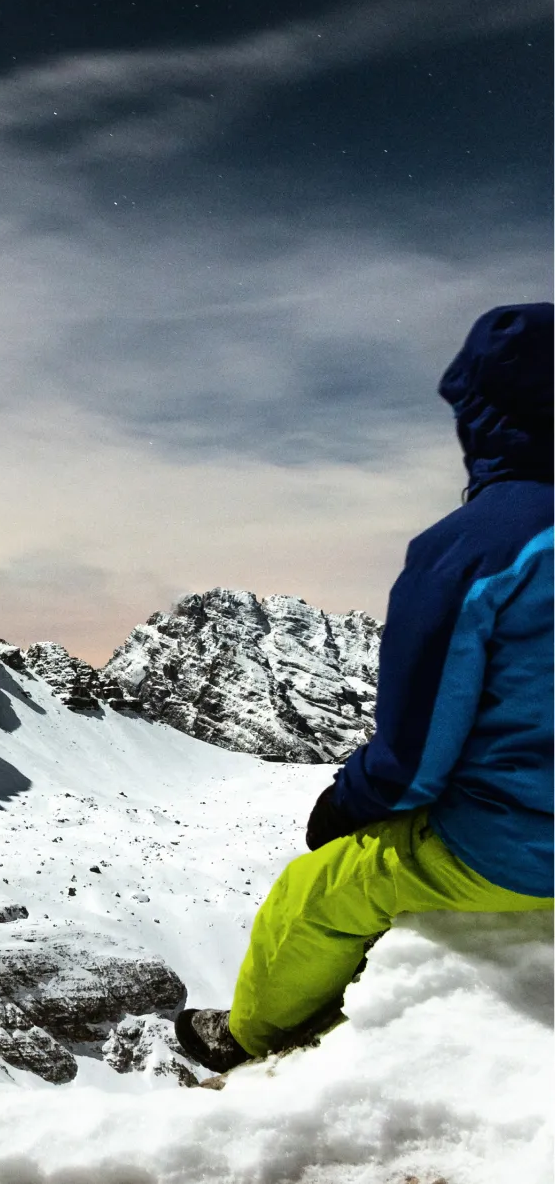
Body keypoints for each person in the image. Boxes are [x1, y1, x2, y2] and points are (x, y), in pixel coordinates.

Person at [175, 301, 554, 1073]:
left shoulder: (473, 550)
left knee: (315, 892)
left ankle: (250, 1040)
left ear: (485, 417)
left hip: (520, 848)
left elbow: (414, 757)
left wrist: (344, 807)